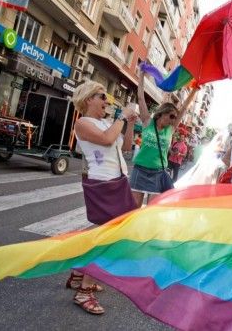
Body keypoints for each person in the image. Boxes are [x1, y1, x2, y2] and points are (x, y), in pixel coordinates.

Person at [70, 81, 138, 315]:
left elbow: (125, 148)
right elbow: (107, 140)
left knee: (106, 233)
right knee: (108, 237)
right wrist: (122, 116)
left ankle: (80, 273)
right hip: (103, 183)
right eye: (102, 96)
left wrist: (129, 123)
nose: (107, 101)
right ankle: (84, 291)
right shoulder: (83, 123)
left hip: (117, 181)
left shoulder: (105, 123)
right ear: (89, 99)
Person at [130, 64, 198, 208]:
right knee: (133, 209)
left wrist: (194, 91)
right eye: (172, 116)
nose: (174, 119)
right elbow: (141, 98)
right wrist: (141, 75)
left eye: (175, 117)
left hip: (157, 173)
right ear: (162, 113)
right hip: (140, 170)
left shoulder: (171, 129)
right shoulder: (147, 122)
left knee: (152, 209)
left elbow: (184, 108)